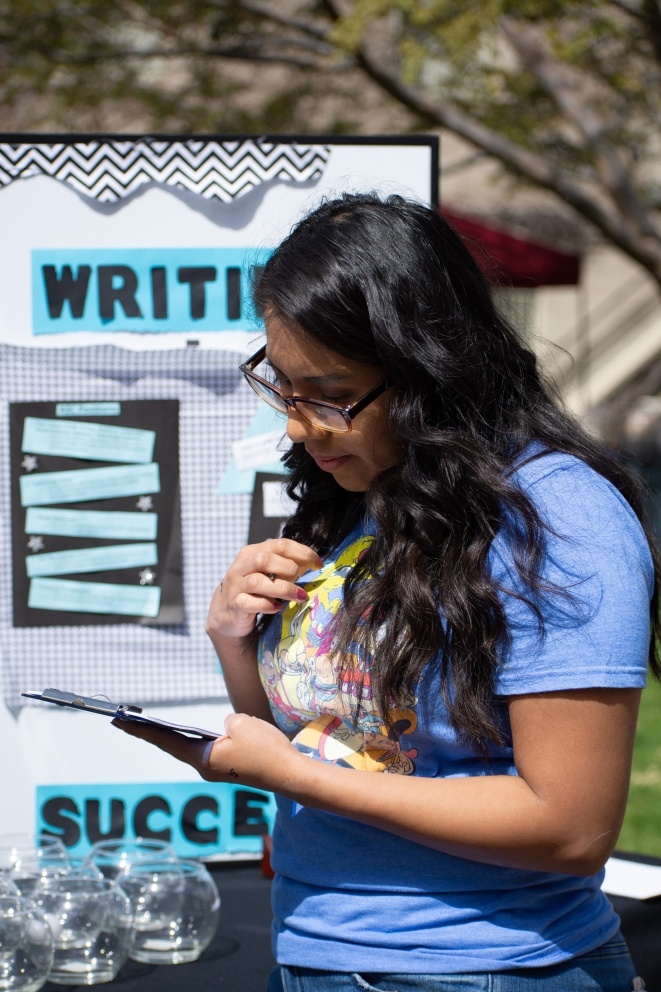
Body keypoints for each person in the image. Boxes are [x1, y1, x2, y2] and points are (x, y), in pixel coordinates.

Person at [114, 192, 660, 992]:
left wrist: (296, 779)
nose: (299, 427)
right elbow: (320, 740)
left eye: (328, 393)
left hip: (488, 969)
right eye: (281, 385)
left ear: (427, 369)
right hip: (315, 956)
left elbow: (571, 825)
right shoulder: (362, 495)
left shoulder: (559, 516)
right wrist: (234, 638)